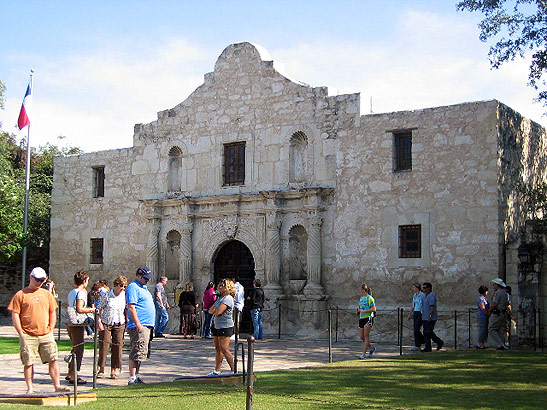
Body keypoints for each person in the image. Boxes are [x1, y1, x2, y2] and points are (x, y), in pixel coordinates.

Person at [7, 267, 69, 394]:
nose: (39, 283)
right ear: (31, 278)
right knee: (28, 362)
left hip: (46, 333)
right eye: (37, 280)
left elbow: (52, 311)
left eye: (42, 280)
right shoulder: (21, 295)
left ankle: (57, 385)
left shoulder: (46, 294)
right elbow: (15, 314)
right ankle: (30, 388)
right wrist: (21, 332)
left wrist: (51, 327)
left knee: (53, 359)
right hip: (28, 334)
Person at [126, 266, 156, 385]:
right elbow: (131, 307)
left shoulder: (144, 287)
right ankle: (132, 377)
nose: (147, 280)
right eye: (145, 278)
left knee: (141, 352)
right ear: (138, 276)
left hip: (146, 325)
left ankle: (137, 375)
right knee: (136, 351)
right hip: (139, 325)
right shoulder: (133, 287)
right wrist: (137, 323)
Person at [66, 271, 97, 384]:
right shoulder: (81, 292)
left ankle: (70, 372)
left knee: (75, 347)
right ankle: (74, 374)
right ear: (84, 281)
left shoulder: (72, 292)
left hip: (70, 322)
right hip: (77, 323)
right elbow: (79, 308)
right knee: (79, 348)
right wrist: (92, 310)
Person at [97, 275, 128, 379]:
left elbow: (126, 308)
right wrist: (99, 321)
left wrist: (127, 320)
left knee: (118, 346)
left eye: (124, 286)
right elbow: (100, 308)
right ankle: (101, 369)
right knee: (104, 345)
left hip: (119, 323)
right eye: (121, 286)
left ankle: (113, 370)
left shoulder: (124, 295)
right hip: (106, 322)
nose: (122, 288)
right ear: (116, 285)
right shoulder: (107, 295)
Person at [206, 279, 235, 376]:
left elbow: (218, 312)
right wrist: (215, 310)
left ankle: (234, 369)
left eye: (223, 285)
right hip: (217, 325)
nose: (220, 286)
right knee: (218, 348)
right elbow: (210, 310)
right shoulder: (220, 298)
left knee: (224, 348)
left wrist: (215, 310)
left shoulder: (228, 298)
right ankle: (217, 370)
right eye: (220, 284)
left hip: (225, 326)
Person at [421, 282, 444, 352]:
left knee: (429, 331)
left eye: (425, 287)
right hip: (425, 317)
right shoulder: (425, 296)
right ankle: (428, 347)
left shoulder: (431, 296)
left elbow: (432, 306)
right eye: (423, 287)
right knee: (425, 332)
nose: (423, 289)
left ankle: (439, 342)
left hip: (430, 317)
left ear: (429, 288)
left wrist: (430, 316)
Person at [488, 278, 509, 350]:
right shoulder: (505, 293)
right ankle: (502, 344)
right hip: (503, 313)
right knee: (500, 329)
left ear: (497, 285)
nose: (493, 285)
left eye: (494, 284)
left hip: (497, 313)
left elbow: (494, 303)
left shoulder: (497, 293)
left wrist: (489, 310)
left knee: (491, 329)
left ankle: (500, 345)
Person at [357, 283, 376, 359]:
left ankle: (364, 354)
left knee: (366, 335)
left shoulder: (370, 298)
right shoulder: (361, 298)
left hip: (368, 318)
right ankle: (371, 348)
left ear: (363, 290)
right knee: (361, 336)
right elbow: (360, 307)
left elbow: (374, 309)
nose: (359, 290)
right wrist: (358, 310)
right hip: (361, 318)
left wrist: (364, 311)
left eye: (360, 289)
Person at [406, 283, 425, 351]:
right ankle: (417, 345)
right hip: (416, 312)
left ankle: (423, 340)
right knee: (415, 329)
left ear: (417, 288)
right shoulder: (415, 295)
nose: (413, 289)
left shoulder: (422, 295)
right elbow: (413, 305)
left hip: (421, 313)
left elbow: (424, 304)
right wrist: (410, 314)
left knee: (417, 329)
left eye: (414, 287)